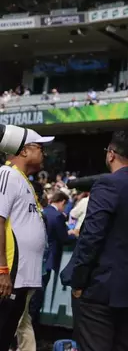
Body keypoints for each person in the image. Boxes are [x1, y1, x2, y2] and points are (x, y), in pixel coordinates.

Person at [60, 131, 128, 351]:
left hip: (100, 288)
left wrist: (78, 281)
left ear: (111, 154)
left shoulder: (107, 184)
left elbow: (91, 236)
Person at [0, 129, 53, 351]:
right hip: (10, 273)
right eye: (40, 148)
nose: (44, 153)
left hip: (22, 277)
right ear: (23, 150)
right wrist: (2, 269)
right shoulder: (7, 174)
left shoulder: (23, 179)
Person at [29, 191, 72, 340]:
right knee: (36, 300)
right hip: (47, 262)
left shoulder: (44, 212)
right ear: (62, 202)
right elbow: (64, 238)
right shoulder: (57, 216)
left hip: (34, 261)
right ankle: (32, 334)